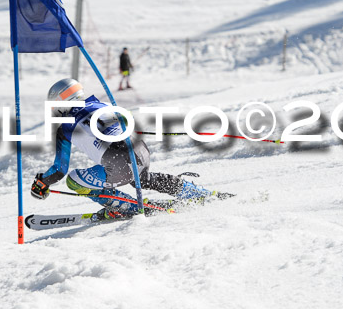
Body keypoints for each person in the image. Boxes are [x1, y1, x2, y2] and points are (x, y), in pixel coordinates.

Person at [31, 78, 232, 219]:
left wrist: (43, 182)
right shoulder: (101, 104)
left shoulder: (65, 127)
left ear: (62, 102)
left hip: (118, 164)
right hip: (141, 152)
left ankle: (123, 206)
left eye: (54, 104)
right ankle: (196, 192)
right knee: (144, 178)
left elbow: (59, 170)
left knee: (74, 181)